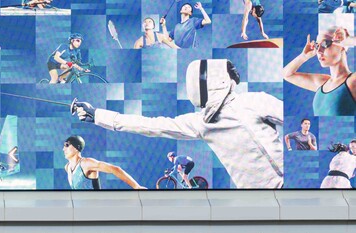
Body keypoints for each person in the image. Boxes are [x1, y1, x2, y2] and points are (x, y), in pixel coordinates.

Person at [73, 57, 284, 189]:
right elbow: (150, 125)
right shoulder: (201, 122)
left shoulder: (253, 101)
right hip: (260, 201)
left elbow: (291, 119)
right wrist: (98, 115)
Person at [284, 27, 356, 117]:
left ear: (342, 47)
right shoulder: (322, 83)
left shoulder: (352, 82)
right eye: (317, 46)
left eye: (325, 44)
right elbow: (287, 75)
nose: (319, 51)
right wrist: (303, 57)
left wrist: (349, 41)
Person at [63, 135, 144, 189]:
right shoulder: (67, 167)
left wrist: (137, 187)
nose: (64, 149)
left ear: (77, 148)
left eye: (67, 145)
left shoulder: (86, 164)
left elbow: (115, 169)